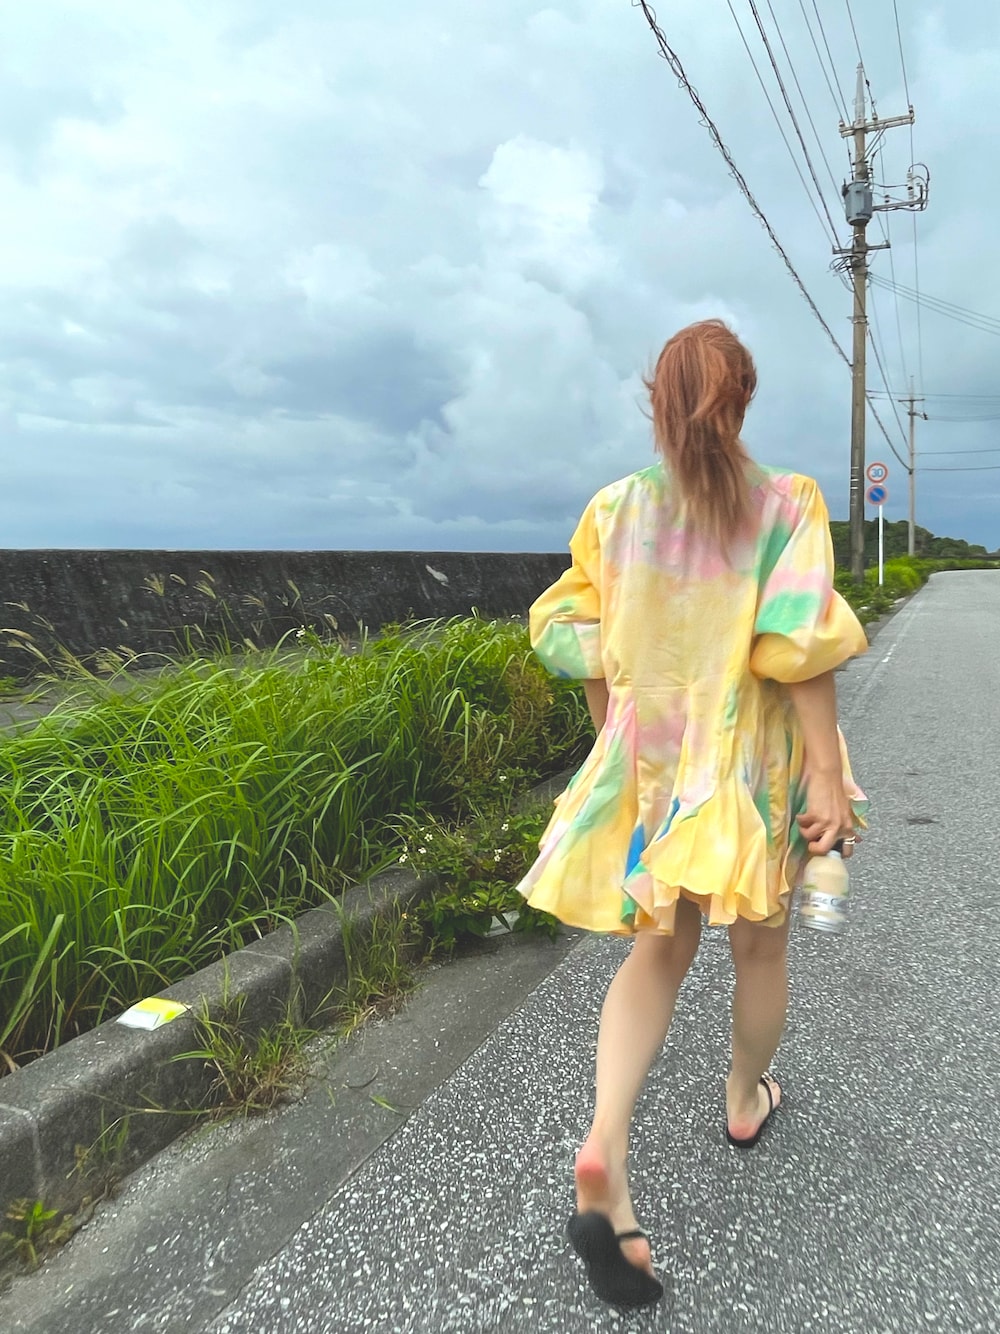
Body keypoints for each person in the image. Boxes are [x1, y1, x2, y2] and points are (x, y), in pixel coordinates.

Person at [517, 319, 868, 1309]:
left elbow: (568, 631)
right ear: (743, 397)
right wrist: (827, 774)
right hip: (753, 767)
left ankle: (606, 1143)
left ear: (656, 400)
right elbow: (794, 648)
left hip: (655, 771)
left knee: (656, 950)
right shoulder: (785, 503)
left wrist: (614, 735)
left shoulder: (614, 509)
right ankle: (745, 1099)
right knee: (760, 948)